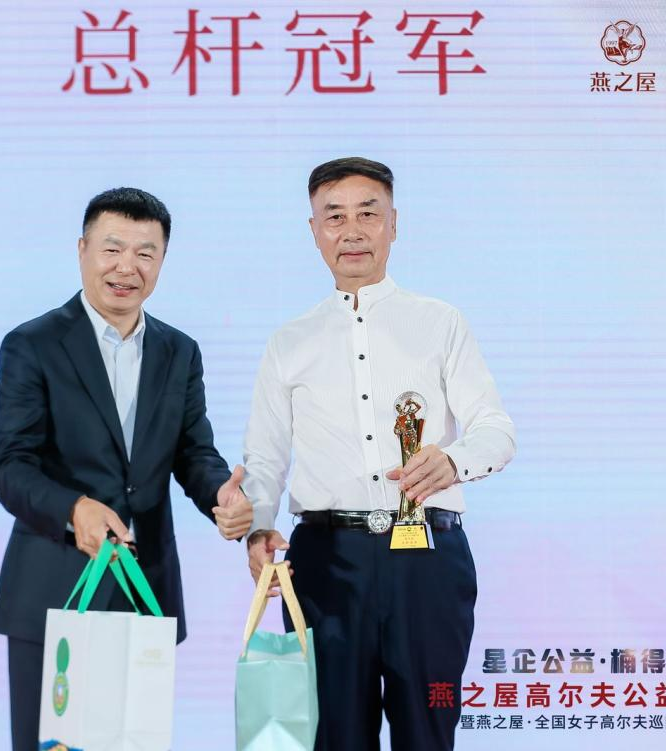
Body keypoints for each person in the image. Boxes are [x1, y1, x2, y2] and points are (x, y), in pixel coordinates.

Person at [241, 158, 516, 750]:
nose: (352, 231)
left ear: (394, 224)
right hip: (325, 564)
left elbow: (496, 430)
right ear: (314, 230)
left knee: (428, 730)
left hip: (428, 560)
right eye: (334, 217)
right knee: (334, 736)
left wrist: (452, 461)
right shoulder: (289, 341)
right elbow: (264, 458)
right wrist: (257, 527)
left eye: (368, 214)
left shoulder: (440, 323)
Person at [0, 187, 253, 751]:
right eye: (112, 249)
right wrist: (74, 509)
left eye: (145, 253)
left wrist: (222, 499)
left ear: (162, 260)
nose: (126, 267)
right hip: (52, 591)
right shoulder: (33, 345)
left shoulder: (179, 351)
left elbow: (193, 453)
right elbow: (10, 466)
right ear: (82, 250)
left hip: (143, 589)